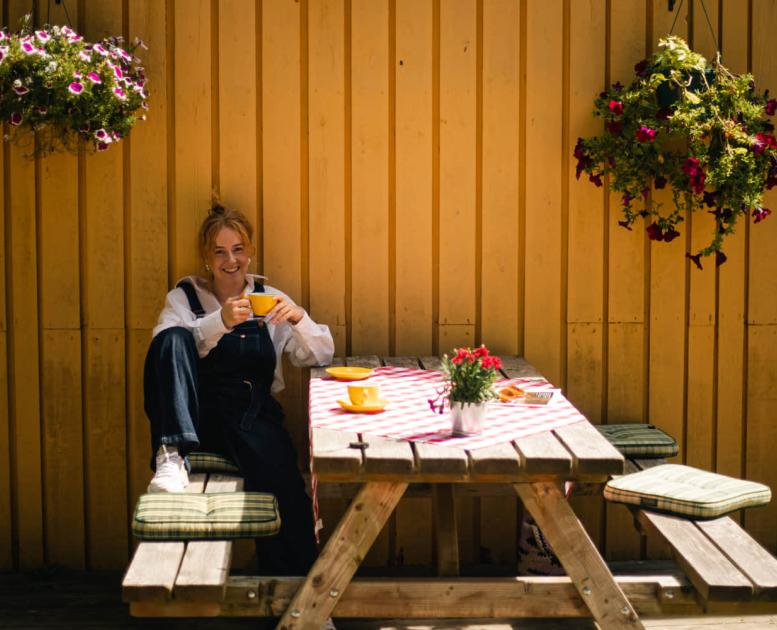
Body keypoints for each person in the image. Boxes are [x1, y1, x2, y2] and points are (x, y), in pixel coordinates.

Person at [143, 202, 334, 577]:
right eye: (219, 251)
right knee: (172, 337)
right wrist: (219, 322)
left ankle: (301, 603)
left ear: (250, 252)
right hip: (200, 424)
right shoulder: (185, 297)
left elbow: (319, 354)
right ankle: (171, 454)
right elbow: (164, 352)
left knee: (289, 498)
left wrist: (297, 317)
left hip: (254, 418)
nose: (230, 260)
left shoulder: (270, 297)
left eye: (238, 249)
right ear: (206, 258)